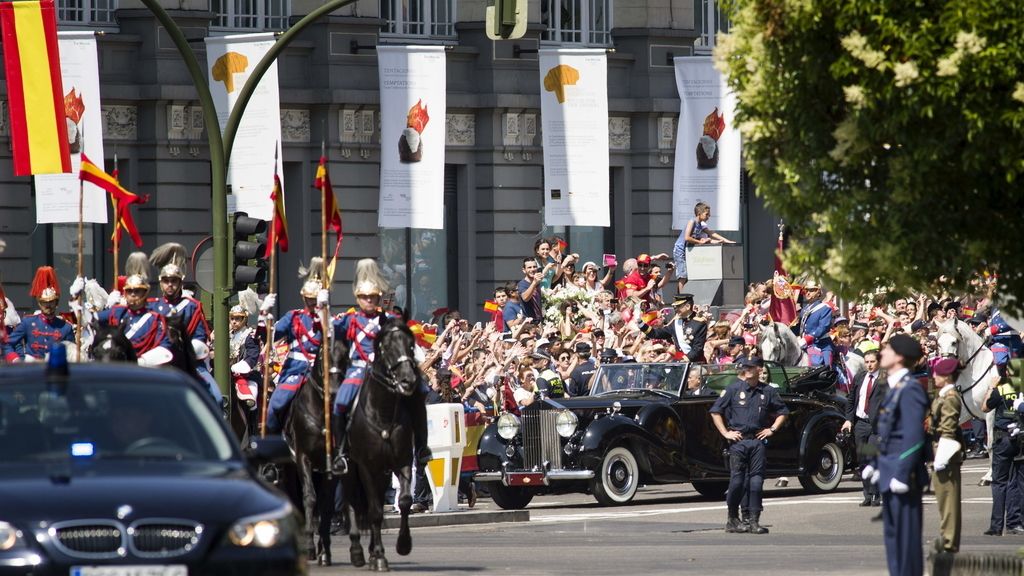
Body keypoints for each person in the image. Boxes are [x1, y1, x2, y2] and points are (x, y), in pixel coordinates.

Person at [330, 259, 430, 475]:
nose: (369, 300)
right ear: (358, 298)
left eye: (372, 297)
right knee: (340, 402)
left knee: (420, 391)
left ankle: (422, 447)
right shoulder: (350, 320)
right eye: (364, 297)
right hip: (358, 369)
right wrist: (321, 308)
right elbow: (328, 330)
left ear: (378, 298)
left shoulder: (388, 319)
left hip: (386, 371)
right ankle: (341, 452)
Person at [862, 334, 929, 576]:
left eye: (887, 350)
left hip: (904, 477)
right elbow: (887, 433)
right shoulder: (894, 387)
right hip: (889, 471)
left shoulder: (910, 388)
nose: (882, 354)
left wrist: (901, 473)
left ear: (899, 357)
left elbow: (913, 436)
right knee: (893, 540)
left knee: (905, 542)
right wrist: (874, 462)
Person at [709, 355, 789, 534]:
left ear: (759, 369)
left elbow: (783, 411)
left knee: (756, 482)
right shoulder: (733, 389)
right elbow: (715, 411)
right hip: (739, 442)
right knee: (737, 482)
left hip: (757, 441)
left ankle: (753, 520)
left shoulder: (767, 391)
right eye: (745, 367)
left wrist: (772, 429)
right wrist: (725, 433)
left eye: (751, 367)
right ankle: (732, 518)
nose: (747, 370)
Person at [262, 277, 322, 435]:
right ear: (303, 298)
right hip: (295, 369)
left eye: (315, 299)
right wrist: (265, 313)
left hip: (321, 371)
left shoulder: (327, 319)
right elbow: (270, 336)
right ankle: (273, 441)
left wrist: (325, 311)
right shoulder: (293, 317)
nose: (312, 302)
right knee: (275, 406)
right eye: (309, 298)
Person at [981, 358, 1024, 536]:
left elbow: (984, 407)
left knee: (999, 482)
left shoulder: (1001, 388)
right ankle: (1015, 523)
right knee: (1018, 482)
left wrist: (991, 387)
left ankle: (997, 526)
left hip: (1003, 439)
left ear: (1007, 372)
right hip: (1021, 439)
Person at [841, 350, 888, 506]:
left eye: (872, 362)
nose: (869, 365)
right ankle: (867, 494)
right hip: (860, 424)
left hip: (877, 425)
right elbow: (851, 400)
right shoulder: (860, 377)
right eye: (867, 362)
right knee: (862, 460)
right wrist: (848, 420)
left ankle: (876, 494)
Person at [3, 267, 74, 362]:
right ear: (39, 303)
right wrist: (16, 360)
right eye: (44, 302)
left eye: (51, 302)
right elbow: (7, 343)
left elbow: (71, 353)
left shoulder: (66, 327)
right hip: (31, 368)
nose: (48, 305)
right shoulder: (28, 322)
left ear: (56, 303)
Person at [930, 357, 964, 552]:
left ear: (947, 376)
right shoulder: (942, 395)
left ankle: (950, 542)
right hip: (939, 449)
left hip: (946, 453)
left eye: (938, 373)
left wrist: (941, 456)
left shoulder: (950, 397)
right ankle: (946, 538)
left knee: (949, 501)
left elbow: (948, 430)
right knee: (944, 501)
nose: (934, 376)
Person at [96, 274, 173, 361]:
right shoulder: (118, 312)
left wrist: (142, 361)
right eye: (129, 291)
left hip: (141, 365)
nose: (132, 294)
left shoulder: (154, 319)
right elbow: (90, 319)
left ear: (145, 293)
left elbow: (165, 348)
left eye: (137, 291)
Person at [673, 201, 734, 293]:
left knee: (688, 274)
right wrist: (699, 242)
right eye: (707, 214)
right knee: (683, 275)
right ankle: (681, 296)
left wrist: (726, 241)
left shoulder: (700, 225)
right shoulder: (692, 221)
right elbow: (687, 237)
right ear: (699, 213)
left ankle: (685, 294)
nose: (708, 217)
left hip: (688, 250)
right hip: (680, 250)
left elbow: (711, 234)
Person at [147, 263, 209, 351]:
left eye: (174, 281)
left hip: (183, 352)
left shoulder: (191, 306)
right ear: (161, 283)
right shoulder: (152, 306)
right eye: (166, 281)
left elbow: (200, 336)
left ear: (180, 283)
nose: (170, 284)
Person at [638, 293, 707, 363]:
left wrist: (683, 360)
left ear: (688, 306)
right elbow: (656, 334)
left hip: (695, 362)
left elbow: (697, 349)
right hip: (679, 362)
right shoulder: (676, 322)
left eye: (678, 306)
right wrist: (642, 325)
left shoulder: (699, 323)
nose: (676, 309)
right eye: (675, 307)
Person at [227, 305, 261, 409]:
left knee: (251, 400)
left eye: (237, 319)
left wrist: (236, 368)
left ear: (244, 319)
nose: (234, 322)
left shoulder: (250, 335)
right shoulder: (227, 335)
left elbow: (252, 357)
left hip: (247, 375)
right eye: (232, 318)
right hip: (227, 374)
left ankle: (252, 419)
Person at [799, 281, 835, 367]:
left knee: (827, 368)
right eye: (806, 290)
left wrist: (808, 338)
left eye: (811, 290)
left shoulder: (825, 308)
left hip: (822, 344)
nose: (808, 293)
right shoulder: (804, 309)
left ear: (818, 293)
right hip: (805, 344)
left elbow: (823, 327)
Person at [518, 258, 550, 322]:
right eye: (529, 267)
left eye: (534, 267)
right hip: (529, 322)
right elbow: (525, 298)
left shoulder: (538, 282)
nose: (532, 269)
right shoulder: (522, 284)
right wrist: (534, 283)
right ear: (524, 270)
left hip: (540, 321)